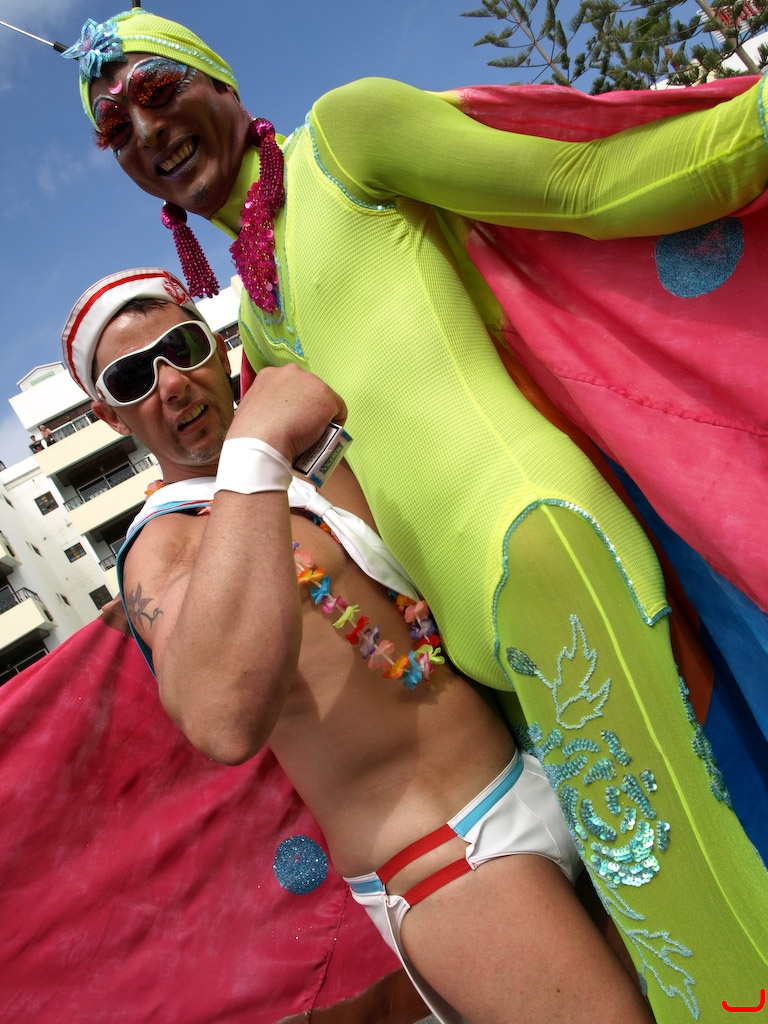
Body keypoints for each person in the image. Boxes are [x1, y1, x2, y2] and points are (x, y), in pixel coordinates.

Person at [62, 10, 768, 1021]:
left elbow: (584, 184)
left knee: (703, 931)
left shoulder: (345, 140)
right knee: (676, 943)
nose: (143, 129)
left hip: (540, 555)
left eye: (156, 90)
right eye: (112, 126)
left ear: (220, 81)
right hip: (489, 684)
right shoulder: (259, 329)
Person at [61, 266, 655, 1024]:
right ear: (110, 416)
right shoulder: (164, 544)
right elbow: (220, 718)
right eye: (133, 377)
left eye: (180, 348)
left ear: (213, 343)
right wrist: (252, 449)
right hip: (448, 861)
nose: (171, 383)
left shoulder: (312, 457)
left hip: (550, 768)